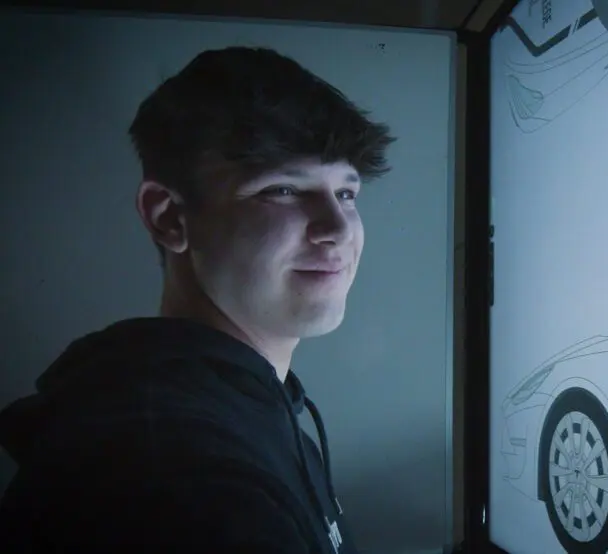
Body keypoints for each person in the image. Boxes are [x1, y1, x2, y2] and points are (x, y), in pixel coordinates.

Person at [0, 46, 395, 553]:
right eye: (283, 191)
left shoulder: (246, 408)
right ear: (168, 217)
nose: (338, 230)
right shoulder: (180, 482)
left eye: (346, 194)